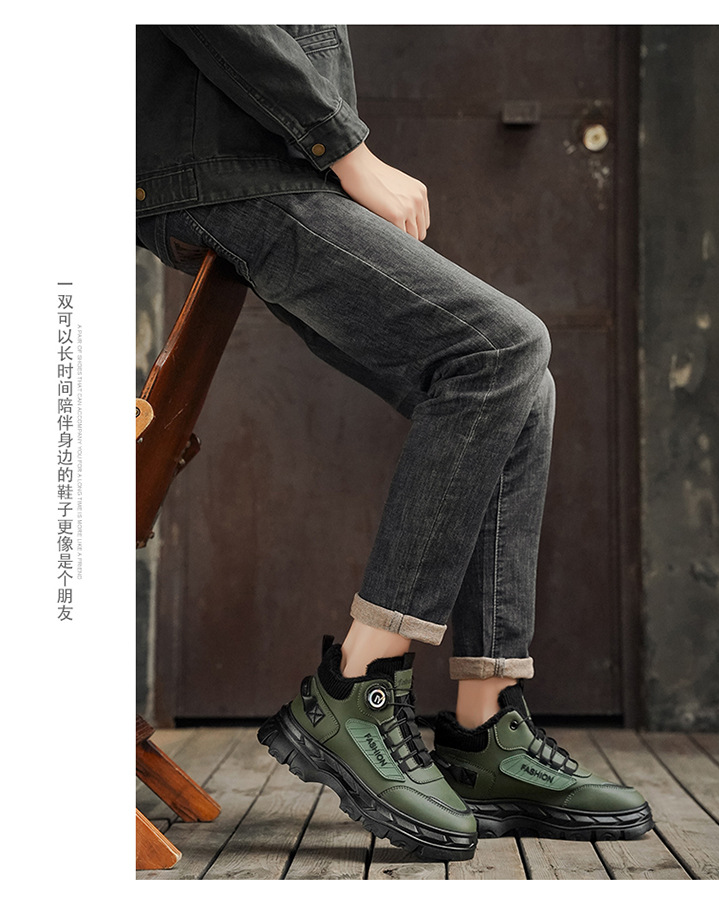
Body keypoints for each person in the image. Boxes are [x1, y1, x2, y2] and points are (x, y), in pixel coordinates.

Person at [136, 25, 653, 861]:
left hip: (272, 163)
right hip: (236, 168)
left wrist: (330, 152)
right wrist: (344, 149)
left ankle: (485, 725)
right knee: (501, 347)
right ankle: (358, 680)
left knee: (525, 384)